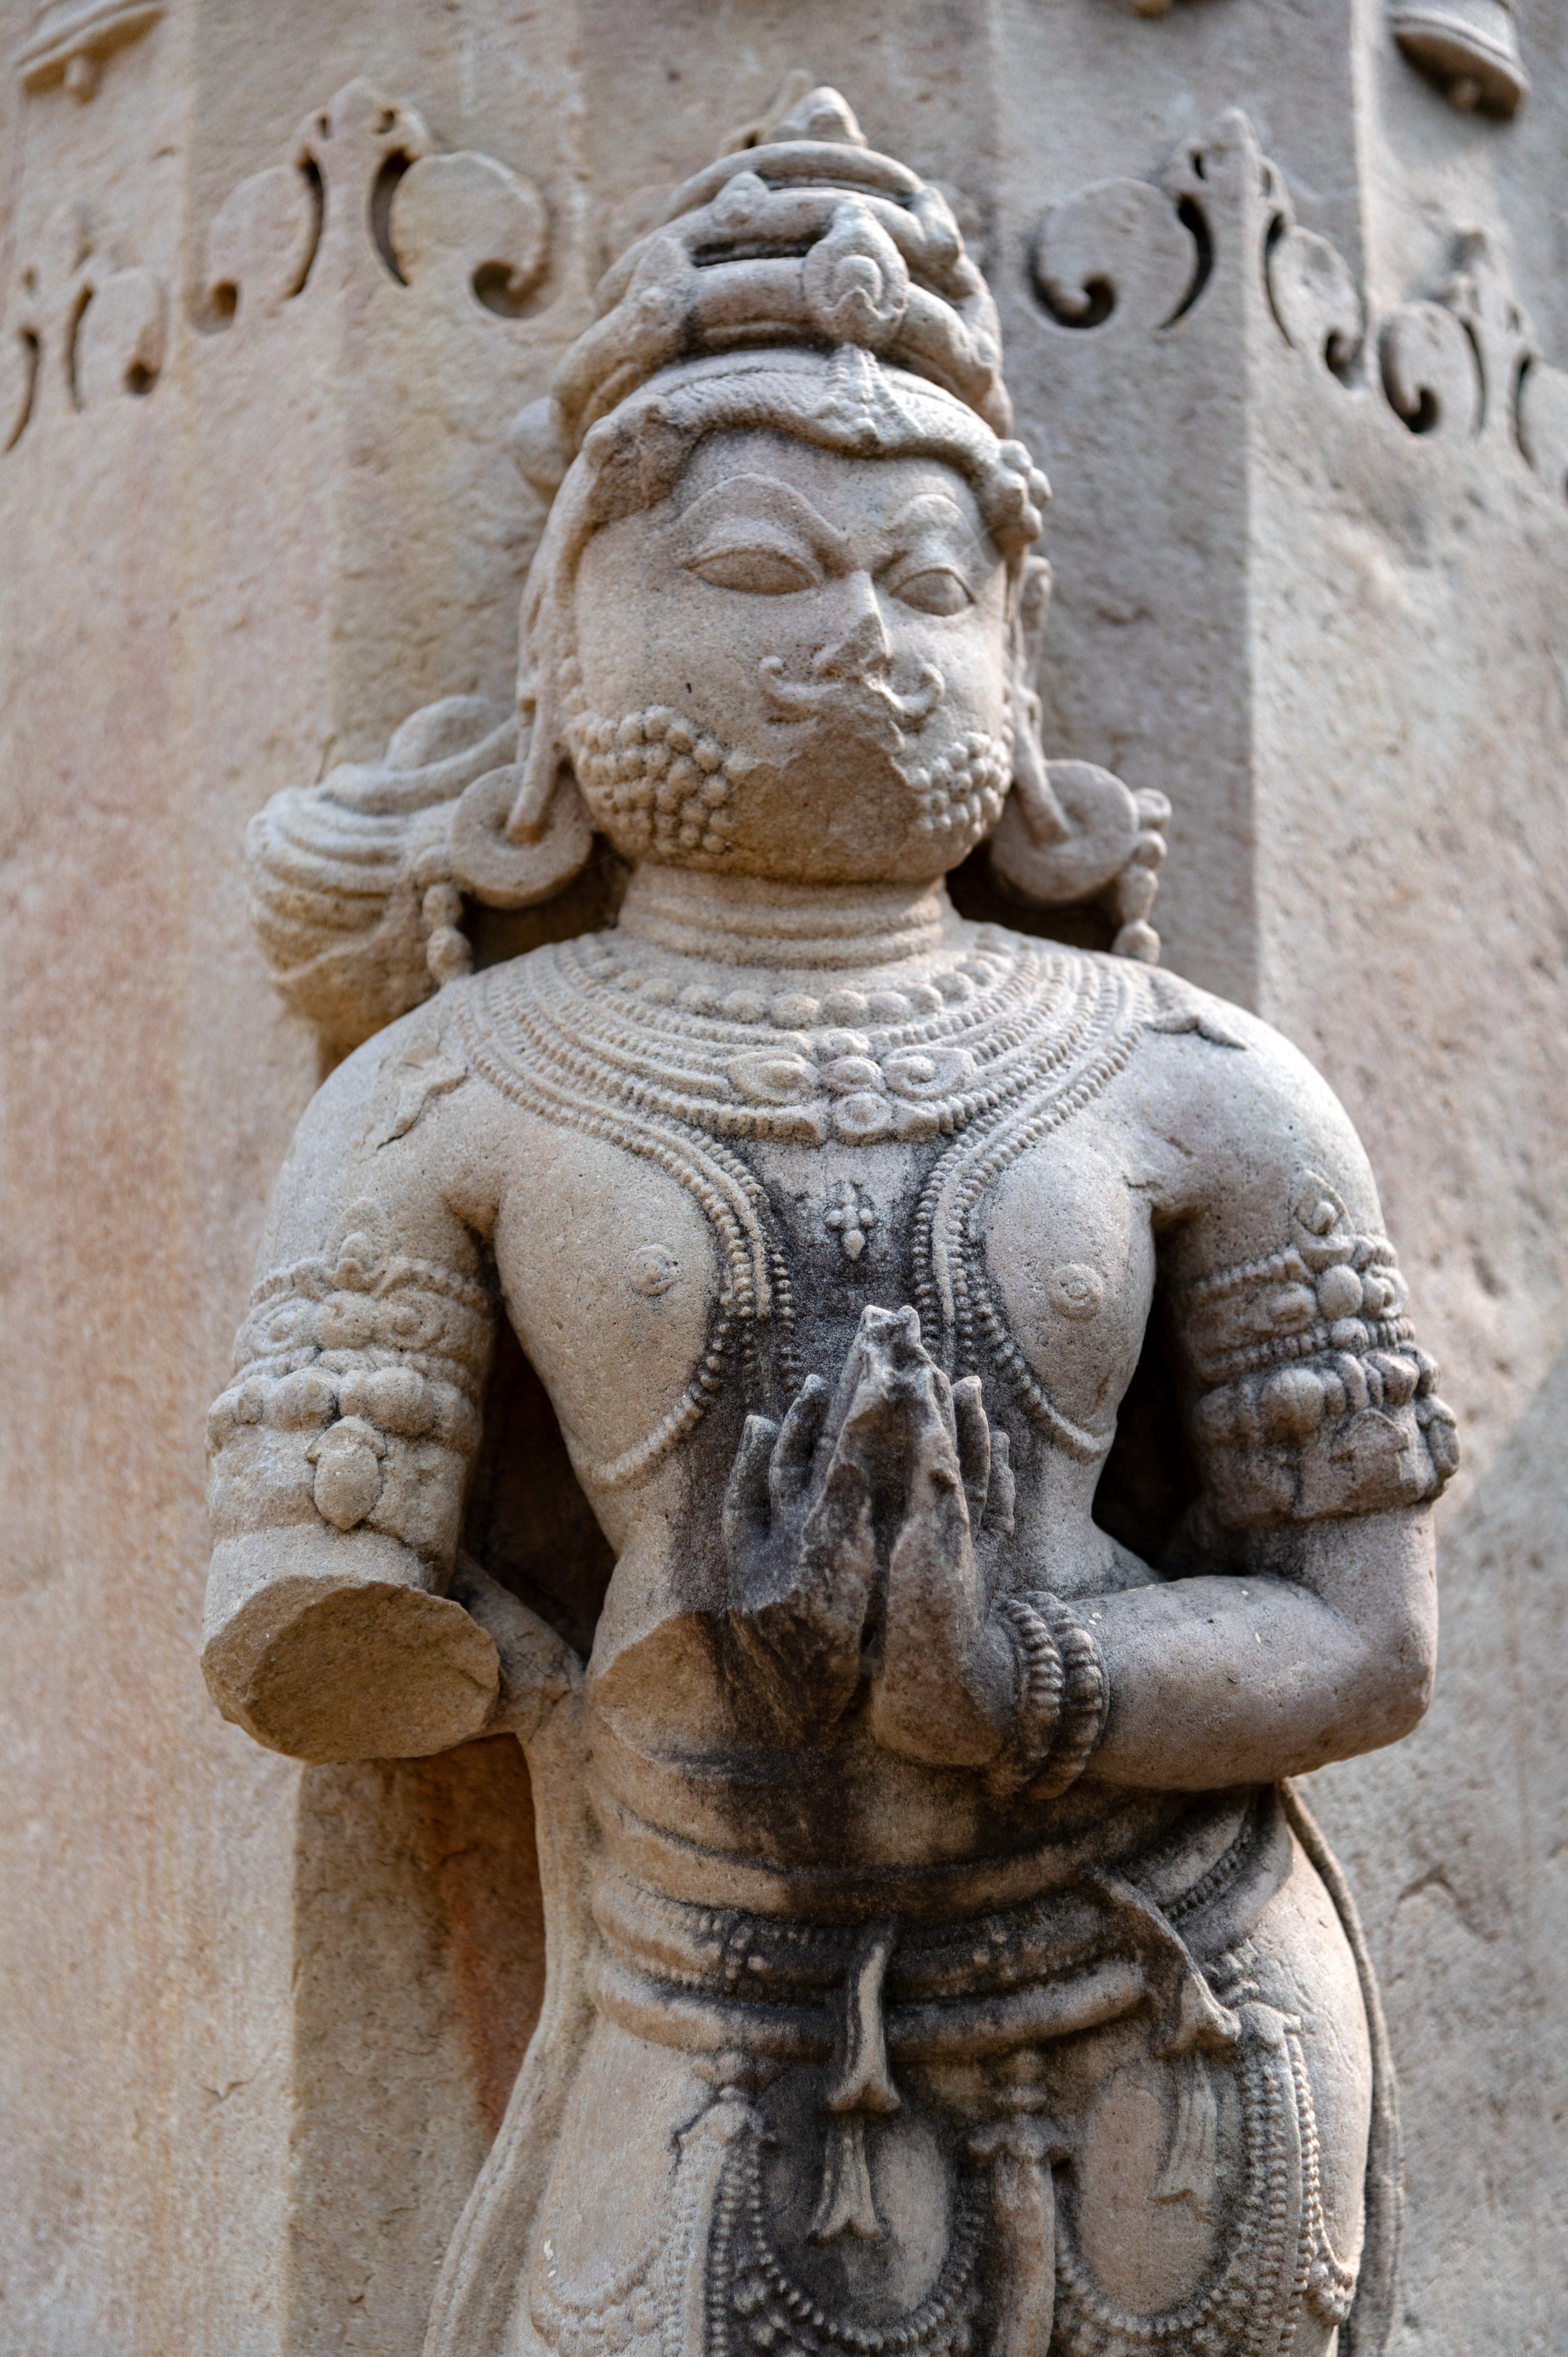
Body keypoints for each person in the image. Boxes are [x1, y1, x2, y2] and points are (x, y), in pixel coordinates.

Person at [207, 88, 1457, 2357]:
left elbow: (1363, 1642)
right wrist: (545, 1649)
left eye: (929, 585)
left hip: (1180, 2021)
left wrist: (1022, 1678)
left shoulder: (1193, 1078)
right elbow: (315, 1621)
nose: (863, 640)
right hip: (717, 2011)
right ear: (572, 643)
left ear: (1020, 644)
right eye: (766, 574)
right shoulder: (456, 1086)